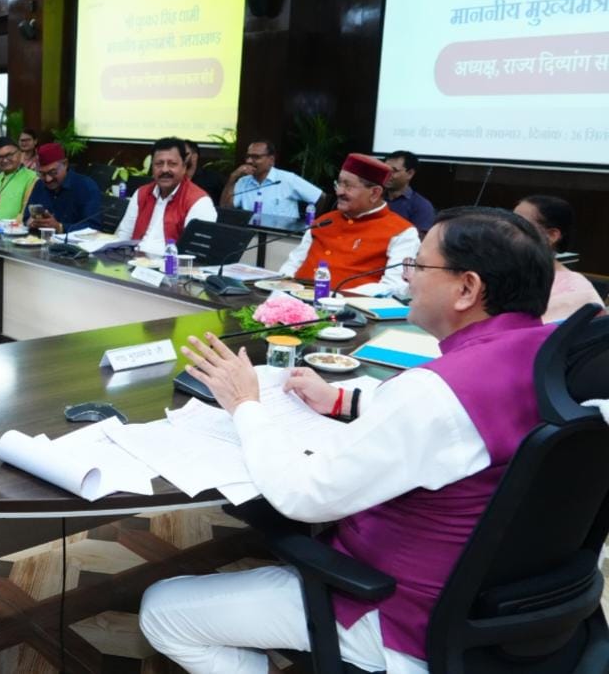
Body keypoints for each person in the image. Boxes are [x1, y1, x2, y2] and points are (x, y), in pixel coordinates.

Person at [141, 206, 559, 674]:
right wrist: (343, 400)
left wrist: (244, 403)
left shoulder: (435, 394)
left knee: (163, 610)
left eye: (419, 264)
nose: (407, 276)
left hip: (397, 611)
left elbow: (305, 495)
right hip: (499, 605)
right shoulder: (550, 356)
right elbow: (449, 426)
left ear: (467, 288)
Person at [279, 153, 419, 296]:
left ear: (375, 193)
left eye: (348, 186)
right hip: (293, 299)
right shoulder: (324, 221)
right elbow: (293, 263)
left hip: (347, 306)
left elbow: (394, 286)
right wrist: (281, 291)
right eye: (339, 183)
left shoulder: (402, 232)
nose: (339, 191)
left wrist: (336, 298)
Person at [115, 137, 217, 253]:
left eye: (172, 164)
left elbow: (193, 253)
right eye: (159, 164)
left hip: (169, 263)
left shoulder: (199, 202)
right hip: (132, 259)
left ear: (184, 167)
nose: (164, 170)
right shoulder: (141, 193)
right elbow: (123, 236)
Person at [512, 195, 605, 323]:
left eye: (519, 224)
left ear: (552, 235)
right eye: (509, 221)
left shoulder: (577, 291)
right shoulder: (501, 271)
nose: (507, 229)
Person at [221, 140, 323, 218]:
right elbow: (225, 208)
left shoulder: (287, 179)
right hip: (251, 234)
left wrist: (310, 225)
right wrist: (233, 177)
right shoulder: (243, 181)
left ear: (271, 160)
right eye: (248, 156)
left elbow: (321, 197)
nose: (249, 161)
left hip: (282, 236)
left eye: (256, 157)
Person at [25, 143, 102, 233]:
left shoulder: (86, 186)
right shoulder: (40, 184)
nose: (48, 179)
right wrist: (31, 222)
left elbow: (93, 227)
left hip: (71, 241)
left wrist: (59, 227)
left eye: (53, 172)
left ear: (65, 164)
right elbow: (26, 218)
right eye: (42, 174)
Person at [0, 137, 38, 224]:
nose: (4, 160)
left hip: (12, 230)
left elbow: (26, 215)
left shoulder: (32, 178)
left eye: (9, 155)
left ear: (20, 154)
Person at [384, 150, 435, 234]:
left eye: (394, 171)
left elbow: (420, 239)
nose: (387, 174)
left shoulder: (421, 206)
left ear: (410, 173)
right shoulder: (374, 197)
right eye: (385, 169)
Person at [183, 138, 225, 202]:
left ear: (194, 157)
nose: (180, 157)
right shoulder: (174, 179)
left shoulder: (213, 178)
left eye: (184, 154)